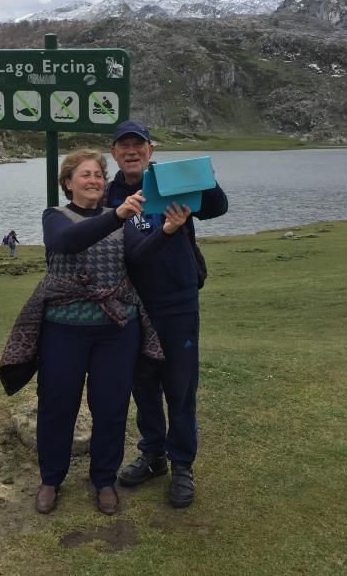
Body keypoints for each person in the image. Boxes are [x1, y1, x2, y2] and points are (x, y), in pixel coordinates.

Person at [0, 148, 189, 516]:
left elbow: (138, 258)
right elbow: (66, 243)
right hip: (63, 330)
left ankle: (104, 480)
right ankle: (51, 479)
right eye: (85, 174)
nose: (94, 180)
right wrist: (118, 215)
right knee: (57, 406)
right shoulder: (55, 216)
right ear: (68, 183)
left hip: (116, 330)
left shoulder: (122, 219)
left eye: (99, 175)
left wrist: (166, 232)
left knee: (111, 407)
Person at [106, 119, 229, 509]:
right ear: (114, 153)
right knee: (143, 386)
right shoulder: (109, 197)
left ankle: (182, 465)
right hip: (132, 306)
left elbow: (217, 207)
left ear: (150, 149)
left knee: (180, 388)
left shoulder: (171, 180)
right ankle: (153, 454)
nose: (131, 151)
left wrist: (203, 178)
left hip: (178, 304)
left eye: (138, 145)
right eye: (123, 146)